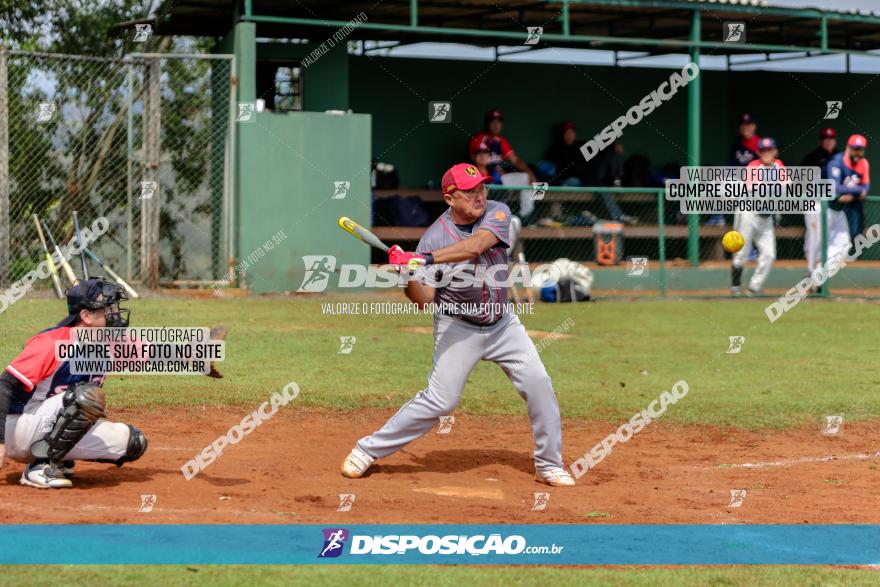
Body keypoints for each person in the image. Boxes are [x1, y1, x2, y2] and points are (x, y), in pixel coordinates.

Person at [341, 163, 574, 487]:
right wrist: (408, 274)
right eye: (470, 191)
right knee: (441, 400)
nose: (479, 195)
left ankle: (548, 464)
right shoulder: (433, 238)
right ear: (450, 198)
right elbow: (424, 300)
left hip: (501, 322)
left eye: (481, 187)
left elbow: (477, 244)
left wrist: (426, 260)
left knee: (538, 382)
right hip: (458, 326)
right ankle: (367, 449)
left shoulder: (497, 211)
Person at [0, 279, 147, 488]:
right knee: (86, 396)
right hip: (19, 428)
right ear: (86, 316)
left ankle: (59, 456)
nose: (115, 313)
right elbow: (3, 386)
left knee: (132, 443)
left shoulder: (111, 345)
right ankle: (40, 467)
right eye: (107, 308)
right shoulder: (52, 343)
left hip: (51, 420)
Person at [731, 137, 782, 296]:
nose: (767, 153)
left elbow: (785, 186)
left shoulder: (779, 165)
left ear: (775, 151)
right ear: (758, 152)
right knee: (741, 253)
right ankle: (735, 287)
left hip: (766, 218)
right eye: (763, 150)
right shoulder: (753, 166)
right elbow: (757, 190)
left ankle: (754, 287)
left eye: (769, 150)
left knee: (769, 254)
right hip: (749, 214)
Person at [468, 109, 537, 218]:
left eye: (499, 122)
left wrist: (530, 173)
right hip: (482, 183)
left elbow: (515, 160)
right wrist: (498, 169)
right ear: (487, 124)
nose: (496, 125)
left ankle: (525, 216)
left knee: (526, 178)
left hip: (498, 180)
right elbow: (478, 163)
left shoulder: (500, 141)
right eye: (493, 122)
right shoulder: (479, 139)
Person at [826, 134, 870, 264]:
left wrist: (852, 195)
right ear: (848, 148)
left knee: (845, 241)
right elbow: (835, 188)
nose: (858, 152)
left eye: (860, 149)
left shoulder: (863, 163)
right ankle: (817, 269)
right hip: (826, 206)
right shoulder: (836, 162)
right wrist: (858, 191)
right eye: (855, 148)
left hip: (844, 208)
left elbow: (866, 186)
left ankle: (823, 270)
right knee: (821, 241)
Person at [710, 113, 761, 227]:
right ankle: (718, 216)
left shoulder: (760, 144)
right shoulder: (737, 142)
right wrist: (721, 175)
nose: (745, 127)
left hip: (754, 184)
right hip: (738, 180)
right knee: (715, 182)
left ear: (754, 127)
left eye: (748, 124)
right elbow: (731, 163)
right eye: (743, 124)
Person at [801, 128, 839, 275]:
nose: (828, 141)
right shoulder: (813, 157)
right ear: (821, 140)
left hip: (832, 204)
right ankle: (812, 269)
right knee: (814, 233)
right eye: (825, 139)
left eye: (831, 138)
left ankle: (818, 268)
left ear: (835, 140)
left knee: (827, 235)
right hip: (813, 201)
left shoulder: (839, 156)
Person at [542, 121, 589, 186]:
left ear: (575, 134)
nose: (569, 135)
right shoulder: (555, 148)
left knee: (573, 181)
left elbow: (582, 170)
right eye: (566, 133)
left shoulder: (582, 147)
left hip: (574, 179)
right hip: (558, 179)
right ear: (562, 134)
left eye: (571, 132)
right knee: (543, 166)